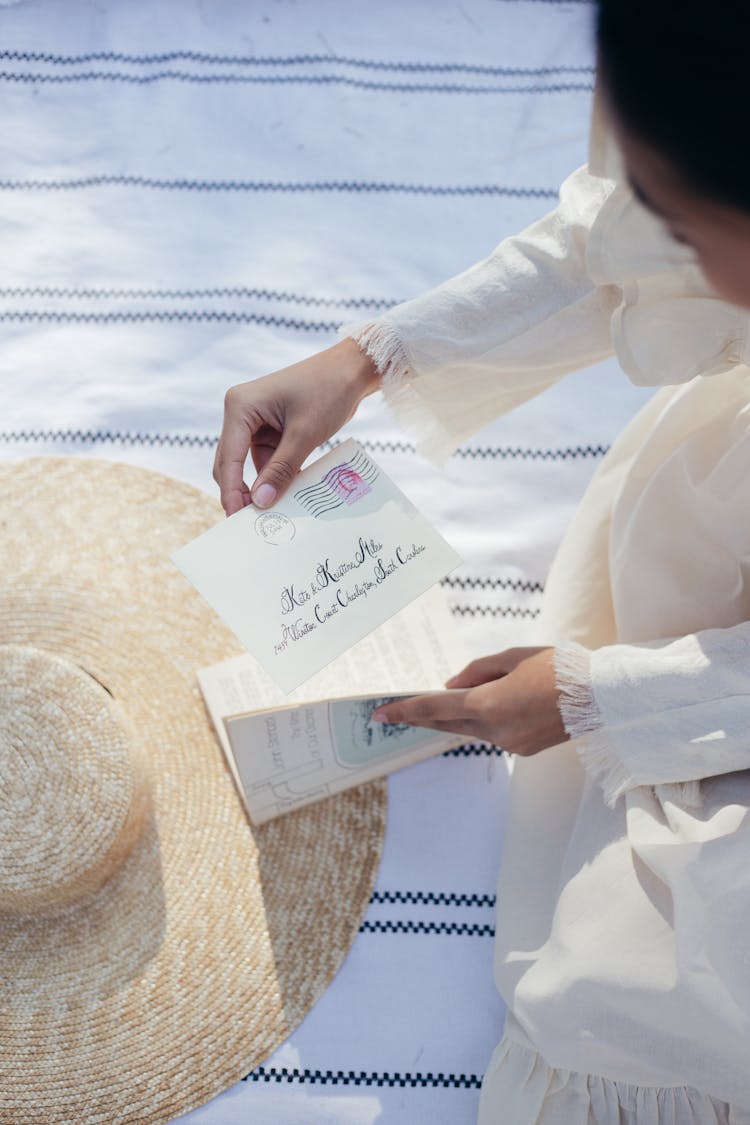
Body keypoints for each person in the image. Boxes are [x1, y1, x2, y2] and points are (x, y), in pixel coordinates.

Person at [213, 0, 750, 1119]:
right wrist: (368, 359)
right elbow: (611, 246)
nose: (657, 247)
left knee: (653, 976)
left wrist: (604, 696)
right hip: (717, 516)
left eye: (687, 229)